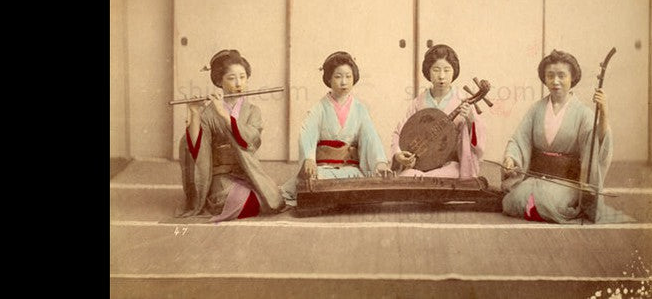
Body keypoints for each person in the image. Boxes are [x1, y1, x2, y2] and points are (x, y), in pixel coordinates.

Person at [500, 49, 629, 223]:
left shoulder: (583, 113)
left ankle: (558, 204)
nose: (556, 81)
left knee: (548, 203)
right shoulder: (536, 109)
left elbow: (597, 143)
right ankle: (535, 205)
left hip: (566, 182)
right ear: (544, 78)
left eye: (562, 75)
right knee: (512, 202)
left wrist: (604, 112)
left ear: (572, 78)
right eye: (550, 75)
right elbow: (518, 139)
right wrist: (511, 159)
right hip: (537, 178)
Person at [176, 49, 285, 222]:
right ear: (219, 81)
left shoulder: (252, 111)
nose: (238, 83)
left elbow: (251, 141)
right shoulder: (208, 113)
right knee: (243, 202)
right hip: (220, 176)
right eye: (231, 78)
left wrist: (225, 115)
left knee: (272, 200)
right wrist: (195, 112)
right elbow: (196, 148)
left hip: (247, 172)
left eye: (242, 77)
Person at [281, 51, 390, 206]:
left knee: (362, 184)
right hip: (324, 169)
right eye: (338, 77)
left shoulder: (360, 109)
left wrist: (379, 163)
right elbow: (307, 134)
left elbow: (370, 137)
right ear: (329, 79)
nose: (344, 82)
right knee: (314, 183)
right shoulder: (319, 108)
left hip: (351, 169)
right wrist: (309, 158)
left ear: (354, 78)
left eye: (348, 76)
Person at [390, 44, 485, 178]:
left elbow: (477, 143)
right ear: (428, 71)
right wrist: (399, 154)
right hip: (421, 165)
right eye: (436, 70)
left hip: (450, 166)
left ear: (454, 71)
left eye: (447, 70)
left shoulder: (462, 101)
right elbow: (399, 132)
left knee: (438, 177)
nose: (441, 76)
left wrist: (470, 120)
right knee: (407, 176)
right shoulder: (419, 102)